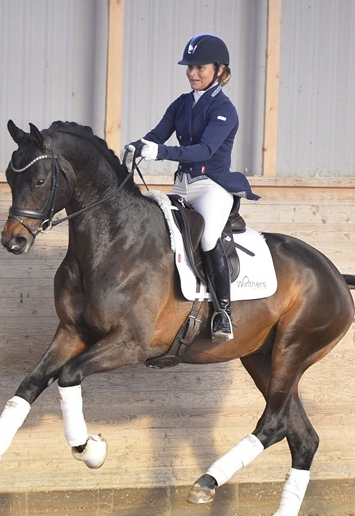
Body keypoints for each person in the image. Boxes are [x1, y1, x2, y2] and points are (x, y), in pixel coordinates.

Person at [127, 33, 258, 342]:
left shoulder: (224, 110)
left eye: (199, 67)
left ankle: (223, 312)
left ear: (219, 70)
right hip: (183, 186)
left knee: (209, 236)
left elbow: (204, 151)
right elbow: (157, 134)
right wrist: (136, 147)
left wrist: (160, 153)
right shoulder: (183, 103)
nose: (192, 73)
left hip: (213, 187)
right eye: (189, 67)